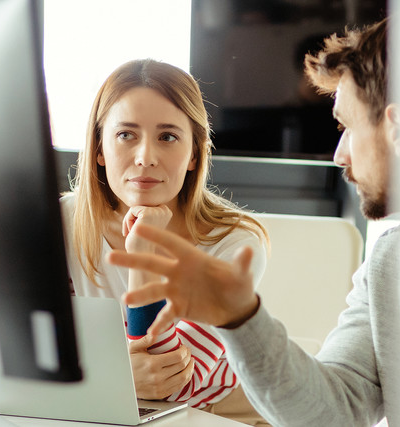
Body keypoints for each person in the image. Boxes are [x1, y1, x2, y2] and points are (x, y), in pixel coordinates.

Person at [106, 18, 400, 426]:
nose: (339, 155)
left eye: (346, 126)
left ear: (398, 129)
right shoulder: (389, 264)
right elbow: (334, 413)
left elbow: (168, 383)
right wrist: (241, 318)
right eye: (125, 134)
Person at [59, 59, 272, 425]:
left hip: (223, 413)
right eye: (126, 134)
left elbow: (168, 386)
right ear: (98, 149)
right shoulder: (64, 221)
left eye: (168, 137)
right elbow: (39, 345)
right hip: (107, 407)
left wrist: (143, 251)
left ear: (193, 154)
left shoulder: (236, 244)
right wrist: (115, 376)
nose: (145, 158)